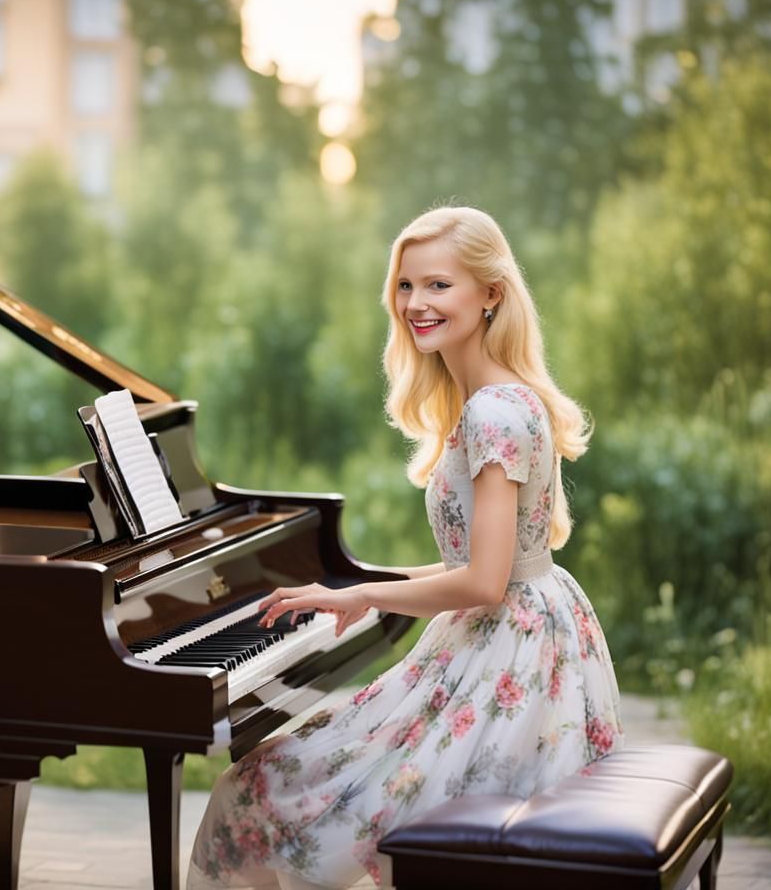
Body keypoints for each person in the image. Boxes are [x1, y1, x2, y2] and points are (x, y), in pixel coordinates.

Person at [186, 206, 624, 890]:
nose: (417, 303)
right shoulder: (495, 399)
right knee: (284, 790)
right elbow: (489, 567)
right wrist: (371, 584)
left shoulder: (493, 412)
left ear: (492, 294)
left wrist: (363, 592)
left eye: (438, 285)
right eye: (406, 286)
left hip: (506, 651)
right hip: (524, 634)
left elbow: (481, 583)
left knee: (257, 795)